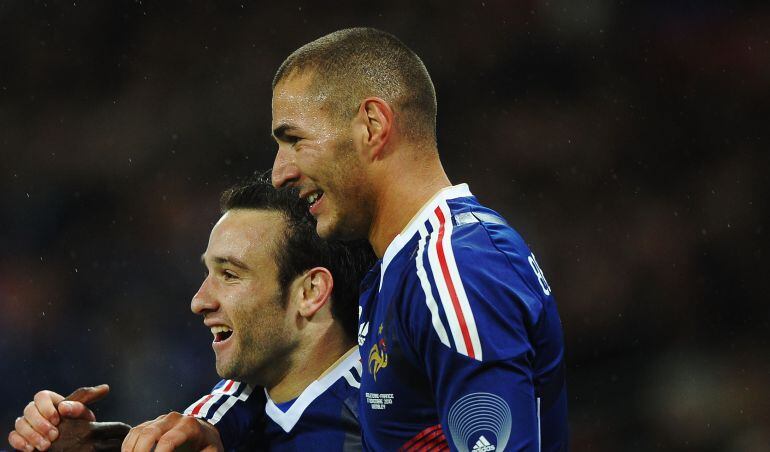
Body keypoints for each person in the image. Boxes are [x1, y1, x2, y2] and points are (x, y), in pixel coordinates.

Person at [271, 28, 569, 451]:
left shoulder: (455, 268)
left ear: (372, 126)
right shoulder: (401, 270)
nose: (280, 172)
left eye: (294, 140)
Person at [8, 179, 374, 452]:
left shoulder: (390, 413)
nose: (199, 301)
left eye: (230, 274)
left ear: (309, 292)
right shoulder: (239, 406)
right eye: (207, 274)